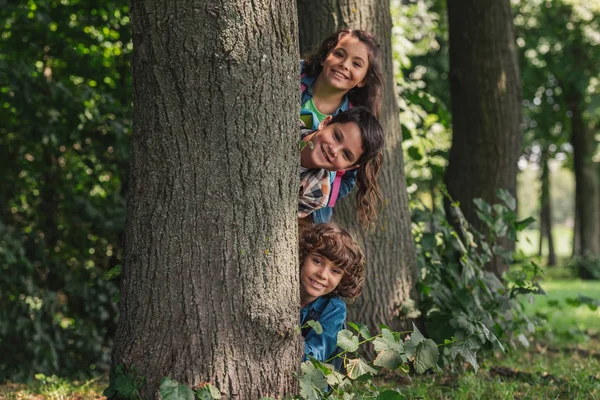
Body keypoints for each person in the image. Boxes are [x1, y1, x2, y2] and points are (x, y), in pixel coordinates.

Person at [300, 28, 384, 225]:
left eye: (356, 64)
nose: (344, 65)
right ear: (324, 57)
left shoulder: (353, 121)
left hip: (306, 204)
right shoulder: (295, 75)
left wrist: (323, 189)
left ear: (363, 79)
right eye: (339, 54)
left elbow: (347, 179)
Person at [299, 107, 384, 227]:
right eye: (336, 136)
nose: (334, 150)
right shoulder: (292, 122)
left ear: (348, 167)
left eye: (346, 155)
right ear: (325, 123)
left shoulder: (316, 193)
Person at [299, 223, 366, 363]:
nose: (322, 274)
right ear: (303, 256)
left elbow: (315, 357)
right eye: (317, 261)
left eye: (335, 271)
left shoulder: (334, 309)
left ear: (343, 279)